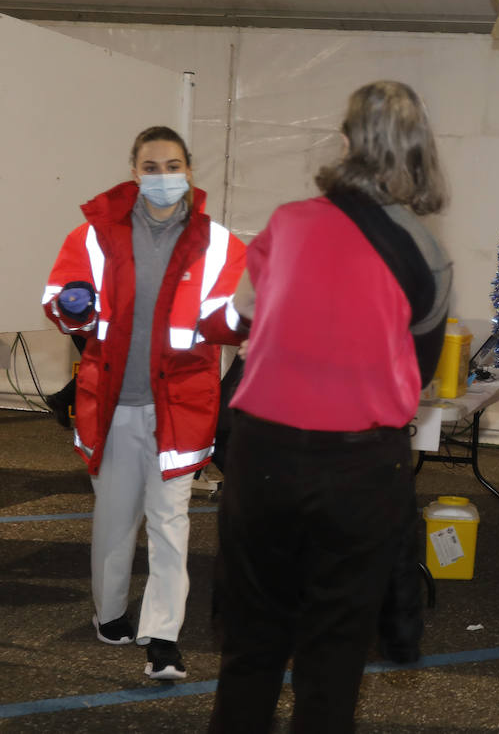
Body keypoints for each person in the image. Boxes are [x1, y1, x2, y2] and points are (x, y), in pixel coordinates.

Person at [207, 81, 451, 732]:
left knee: (251, 646)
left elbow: (241, 319)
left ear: (344, 145)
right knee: (334, 658)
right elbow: (420, 374)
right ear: (419, 153)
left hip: (265, 459)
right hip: (361, 468)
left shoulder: (285, 225)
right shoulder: (427, 254)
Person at [39, 126, 246, 680]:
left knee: (169, 523)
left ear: (189, 168)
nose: (162, 177)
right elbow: (60, 303)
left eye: (172, 165)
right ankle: (110, 617)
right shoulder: (93, 236)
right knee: (113, 521)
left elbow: (224, 321)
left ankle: (162, 638)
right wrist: (72, 307)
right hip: (111, 407)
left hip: (181, 406)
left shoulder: (220, 243)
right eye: (151, 167)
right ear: (134, 170)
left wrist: (246, 318)